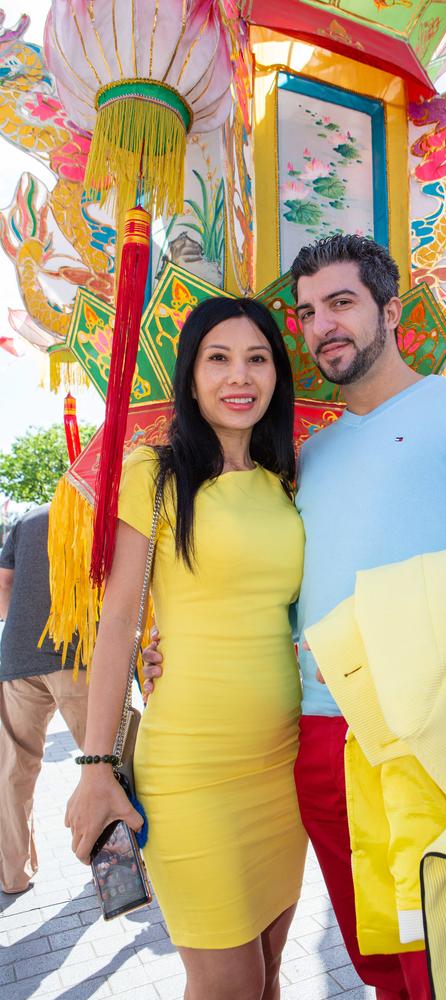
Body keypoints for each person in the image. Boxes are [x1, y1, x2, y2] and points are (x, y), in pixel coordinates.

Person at [145, 235, 446, 999]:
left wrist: (391, 631)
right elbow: (286, 592)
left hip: (432, 725)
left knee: (444, 963)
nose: (321, 327)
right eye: (308, 312)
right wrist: (174, 643)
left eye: (341, 303)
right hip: (317, 736)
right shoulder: (308, 455)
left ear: (391, 309)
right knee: (379, 958)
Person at [65, 297, 308, 1000]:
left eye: (258, 358)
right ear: (192, 376)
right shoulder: (156, 472)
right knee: (228, 984)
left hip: (283, 764)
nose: (241, 375)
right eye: (219, 358)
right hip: (193, 771)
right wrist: (94, 763)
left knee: (268, 975)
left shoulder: (288, 481)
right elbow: (117, 623)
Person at [0, 504, 86, 895]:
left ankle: (13, 875)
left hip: (16, 657)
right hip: (78, 656)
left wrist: (23, 626)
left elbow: (4, 586)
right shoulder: (92, 510)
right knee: (110, 761)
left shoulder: (28, 518)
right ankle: (122, 867)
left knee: (13, 773)